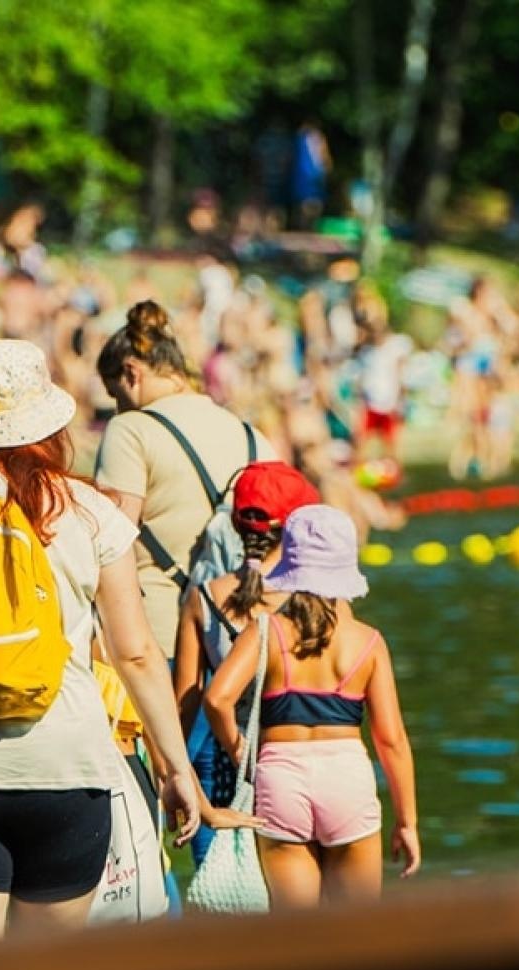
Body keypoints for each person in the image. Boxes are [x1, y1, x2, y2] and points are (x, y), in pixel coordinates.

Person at [0, 339, 201, 942]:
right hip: (67, 771)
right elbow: (134, 654)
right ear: (49, 425)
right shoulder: (85, 509)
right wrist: (175, 766)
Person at [94, 300, 277, 864]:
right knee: (242, 813)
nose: (116, 406)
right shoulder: (251, 435)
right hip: (250, 646)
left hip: (160, 641)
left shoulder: (132, 430)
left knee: (153, 819)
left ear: (133, 374)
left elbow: (110, 541)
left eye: (115, 393)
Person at [204, 505, 418, 908]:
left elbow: (217, 700)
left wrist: (242, 753)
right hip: (346, 781)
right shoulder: (368, 642)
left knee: (297, 942)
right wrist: (407, 821)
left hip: (280, 779)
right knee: (354, 941)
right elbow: (391, 741)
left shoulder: (266, 630)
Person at [173, 462, 319, 861]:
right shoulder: (313, 600)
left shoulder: (202, 598)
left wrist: (174, 781)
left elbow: (184, 706)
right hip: (299, 765)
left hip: (228, 773)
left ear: (236, 525)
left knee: (229, 899)